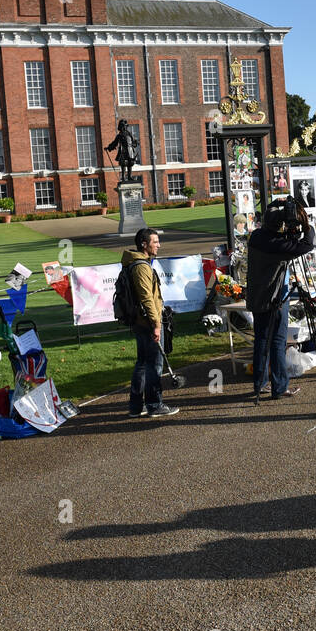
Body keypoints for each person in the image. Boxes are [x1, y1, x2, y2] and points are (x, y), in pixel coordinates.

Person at [246, 197, 316, 403]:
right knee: (277, 341)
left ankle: (260, 383)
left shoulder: (257, 236)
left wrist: (276, 207)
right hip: (274, 297)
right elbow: (308, 244)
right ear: (281, 225)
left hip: (257, 296)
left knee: (260, 340)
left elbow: (276, 232)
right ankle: (279, 386)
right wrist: (306, 224)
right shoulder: (277, 245)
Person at [121, 229, 178, 418]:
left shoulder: (134, 264)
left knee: (142, 364)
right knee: (154, 364)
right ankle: (154, 404)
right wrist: (157, 324)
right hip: (147, 322)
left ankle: (136, 406)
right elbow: (147, 299)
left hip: (139, 321)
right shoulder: (141, 267)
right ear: (144, 245)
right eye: (155, 241)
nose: (159, 245)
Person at [105, 119, 139, 184]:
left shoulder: (129, 134)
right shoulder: (119, 135)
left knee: (130, 163)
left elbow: (133, 141)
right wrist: (109, 147)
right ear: (121, 127)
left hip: (130, 150)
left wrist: (135, 143)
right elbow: (115, 143)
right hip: (123, 150)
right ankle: (123, 177)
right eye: (123, 126)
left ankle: (129, 176)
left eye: (125, 126)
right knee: (123, 164)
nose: (124, 128)